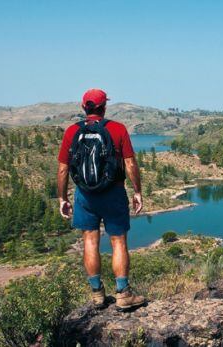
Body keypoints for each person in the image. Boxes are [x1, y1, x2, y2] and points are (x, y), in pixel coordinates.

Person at [57, 88, 147, 310]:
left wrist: (62, 197)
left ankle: (97, 294)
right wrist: (137, 191)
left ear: (83, 107)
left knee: (89, 240)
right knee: (118, 241)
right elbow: (130, 164)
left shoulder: (72, 132)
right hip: (113, 193)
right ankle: (123, 294)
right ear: (104, 107)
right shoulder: (117, 129)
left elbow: (62, 169)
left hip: (85, 195)